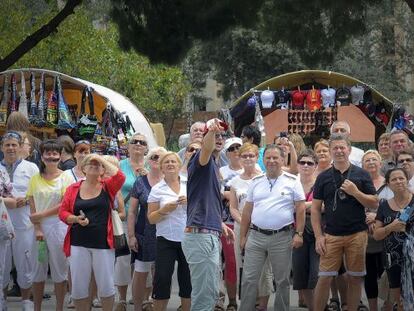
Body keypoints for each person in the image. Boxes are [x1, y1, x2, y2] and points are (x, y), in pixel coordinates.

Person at [311, 134, 378, 311]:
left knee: (355, 278)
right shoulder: (323, 177)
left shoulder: (361, 173)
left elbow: (374, 203)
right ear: (331, 151)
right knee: (324, 278)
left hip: (357, 234)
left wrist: (356, 192)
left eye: (342, 147)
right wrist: (319, 236)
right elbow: (316, 209)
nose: (339, 151)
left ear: (349, 149)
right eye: (335, 148)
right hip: (331, 235)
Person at [239, 144, 306, 311]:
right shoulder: (255, 182)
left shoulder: (293, 181)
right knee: (248, 279)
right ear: (263, 160)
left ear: (283, 159)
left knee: (282, 280)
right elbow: (247, 211)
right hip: (255, 236)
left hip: (282, 237)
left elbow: (300, 208)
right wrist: (242, 236)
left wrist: (299, 233)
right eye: (268, 158)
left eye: (275, 157)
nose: (271, 161)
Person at [59, 154, 125, 311]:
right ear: (83, 168)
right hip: (78, 243)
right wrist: (75, 218)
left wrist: (99, 159)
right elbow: (63, 212)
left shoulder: (107, 186)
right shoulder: (73, 188)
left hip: (103, 243)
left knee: (106, 284)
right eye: (91, 163)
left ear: (103, 169)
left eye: (99, 165)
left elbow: (120, 176)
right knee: (79, 285)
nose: (95, 165)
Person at [182, 118, 234, 310]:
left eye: (222, 135)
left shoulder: (213, 166)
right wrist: (210, 132)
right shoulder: (200, 161)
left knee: (210, 293)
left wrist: (219, 223)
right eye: (215, 134)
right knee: (204, 298)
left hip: (208, 233)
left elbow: (206, 202)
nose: (219, 138)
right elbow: (205, 149)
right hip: (200, 235)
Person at [27, 139, 74, 311]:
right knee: (38, 269)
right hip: (37, 229)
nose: (51, 156)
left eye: (55, 153)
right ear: (42, 155)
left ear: (60, 156)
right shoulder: (34, 178)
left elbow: (65, 204)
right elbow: (32, 202)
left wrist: (41, 215)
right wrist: (38, 226)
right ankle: (37, 308)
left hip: (58, 227)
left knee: (59, 270)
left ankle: (59, 307)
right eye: (48, 153)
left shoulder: (66, 177)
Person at [228, 143, 272, 311]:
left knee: (263, 269)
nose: (247, 159)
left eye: (251, 156)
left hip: (262, 227)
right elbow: (232, 207)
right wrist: (242, 221)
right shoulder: (235, 182)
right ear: (239, 158)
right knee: (244, 267)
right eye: (244, 156)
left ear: (256, 157)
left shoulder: (264, 177)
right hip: (241, 228)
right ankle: (246, 303)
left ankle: (262, 306)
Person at [147, 152, 191, 311]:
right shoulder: (157, 189)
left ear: (179, 165)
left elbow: (201, 209)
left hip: (189, 238)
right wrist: (164, 210)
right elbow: (151, 219)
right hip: (166, 239)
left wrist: (190, 202)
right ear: (162, 167)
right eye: (166, 162)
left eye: (173, 161)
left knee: (187, 279)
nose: (170, 164)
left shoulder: (189, 184)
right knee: (162, 279)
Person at [1, 131, 38, 311]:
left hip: (24, 225)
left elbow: (38, 194)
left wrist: (26, 199)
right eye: (7, 145)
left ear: (20, 146)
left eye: (14, 144)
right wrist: (5, 201)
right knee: (2, 264)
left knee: (26, 262)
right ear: (2, 147)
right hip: (1, 225)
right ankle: (2, 301)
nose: (11, 148)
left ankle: (26, 302)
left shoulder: (31, 168)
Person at [128, 147, 166, 311]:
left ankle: (157, 305)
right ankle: (137, 307)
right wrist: (131, 236)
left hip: (166, 233)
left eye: (160, 157)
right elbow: (131, 211)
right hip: (144, 232)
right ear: (148, 160)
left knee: (162, 274)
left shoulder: (171, 181)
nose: (157, 159)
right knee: (141, 272)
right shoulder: (140, 181)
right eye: (153, 157)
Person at [373, 168, 414, 310]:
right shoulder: (384, 205)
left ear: (407, 180)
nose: (398, 182)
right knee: (399, 299)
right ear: (388, 184)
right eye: (394, 179)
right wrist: (391, 227)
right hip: (393, 259)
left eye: (401, 178)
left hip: (413, 258)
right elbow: (377, 235)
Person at [117, 133, 149, 310]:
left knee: (145, 259)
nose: (137, 144)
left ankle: (145, 298)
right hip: (124, 218)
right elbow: (113, 188)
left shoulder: (152, 166)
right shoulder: (120, 166)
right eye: (134, 142)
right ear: (127, 147)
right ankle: (122, 298)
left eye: (141, 142)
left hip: (145, 220)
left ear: (146, 148)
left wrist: (147, 177)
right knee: (123, 259)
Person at [362, 150, 393, 311]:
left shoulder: (389, 183)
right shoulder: (358, 183)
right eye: (367, 160)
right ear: (362, 165)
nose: (371, 162)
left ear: (380, 163)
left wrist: (377, 216)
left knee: (387, 273)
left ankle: (388, 305)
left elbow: (395, 206)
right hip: (365, 238)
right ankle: (373, 307)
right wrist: (366, 217)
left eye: (374, 159)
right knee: (369, 275)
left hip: (386, 235)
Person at [292, 150, 319, 311]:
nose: (306, 165)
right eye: (302, 162)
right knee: (301, 274)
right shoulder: (291, 183)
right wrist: (311, 205)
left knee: (316, 274)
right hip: (296, 232)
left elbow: (323, 206)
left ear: (315, 166)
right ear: (298, 165)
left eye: (310, 163)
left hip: (317, 232)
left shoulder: (320, 183)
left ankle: (319, 306)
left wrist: (300, 206)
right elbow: (287, 207)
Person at [0, 167, 15, 311]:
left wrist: (1, 199)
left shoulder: (1, 172)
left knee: (1, 268)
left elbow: (13, 201)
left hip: (0, 226)